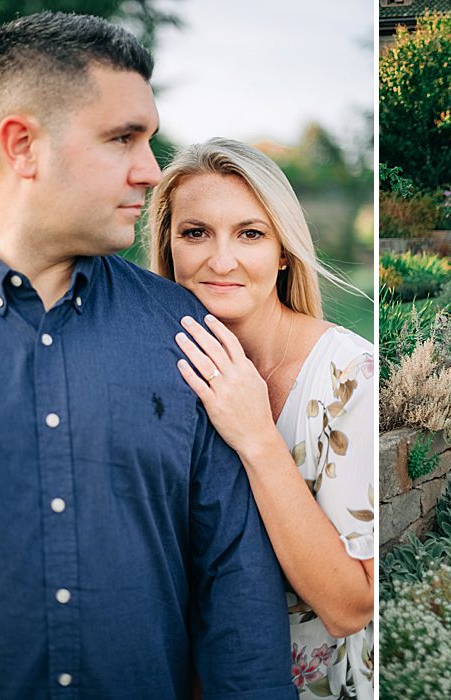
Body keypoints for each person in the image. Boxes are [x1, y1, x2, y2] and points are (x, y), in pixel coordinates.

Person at [0, 12, 294, 699]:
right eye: (122, 139)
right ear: (22, 145)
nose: (150, 171)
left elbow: (236, 590)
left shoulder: (189, 331)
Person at [147, 138, 375, 698]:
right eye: (195, 232)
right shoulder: (155, 372)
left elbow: (351, 606)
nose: (220, 260)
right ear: (168, 245)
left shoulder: (350, 376)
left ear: (282, 251)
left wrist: (255, 434)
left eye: (250, 233)